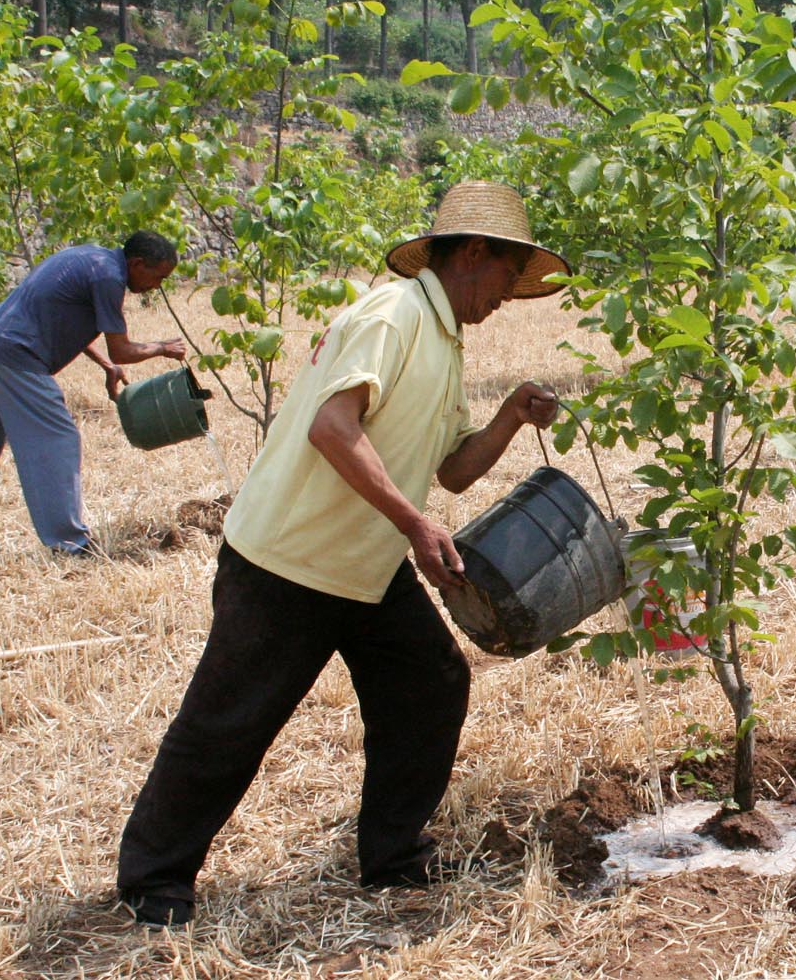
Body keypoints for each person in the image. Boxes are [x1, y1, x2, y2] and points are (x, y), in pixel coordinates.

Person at [116, 181, 571, 929]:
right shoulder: (393, 314)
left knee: (430, 683)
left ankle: (392, 856)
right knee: (229, 722)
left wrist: (511, 417)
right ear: (475, 254)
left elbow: (453, 467)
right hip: (287, 560)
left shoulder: (443, 338)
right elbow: (333, 428)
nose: (506, 298)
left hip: (365, 563)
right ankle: (153, 877)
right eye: (506, 279)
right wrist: (416, 525)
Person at [0, 232, 185, 555]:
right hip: (17, 352)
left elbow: (61, 313)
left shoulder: (91, 259)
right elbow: (123, 349)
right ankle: (70, 542)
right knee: (58, 438)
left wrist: (105, 365)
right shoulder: (110, 276)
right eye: (159, 277)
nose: (158, 286)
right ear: (137, 264)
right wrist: (163, 348)